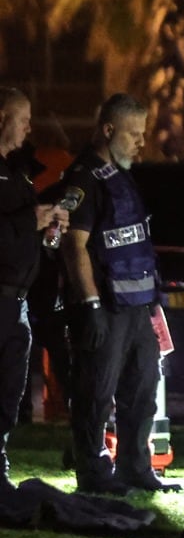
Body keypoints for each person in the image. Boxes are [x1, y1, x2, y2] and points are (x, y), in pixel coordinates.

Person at [59, 93, 166, 495]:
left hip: (137, 306)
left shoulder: (121, 174)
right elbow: (74, 244)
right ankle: (93, 472)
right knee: (95, 392)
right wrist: (90, 306)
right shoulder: (84, 177)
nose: (141, 142)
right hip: (105, 306)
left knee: (142, 389)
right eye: (134, 134)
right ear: (107, 130)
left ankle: (135, 467)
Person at [0, 89, 69, 490]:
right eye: (22, 118)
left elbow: (22, 229)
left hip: (20, 303)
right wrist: (31, 218)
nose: (29, 127)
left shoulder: (18, 169)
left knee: (11, 390)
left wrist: (46, 230)